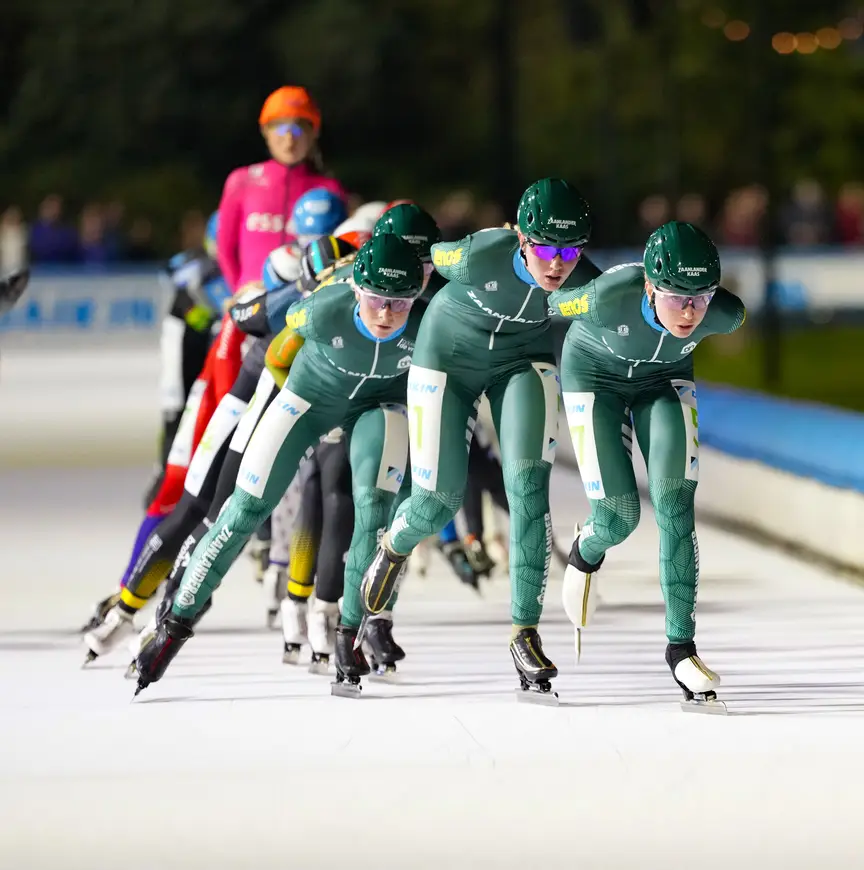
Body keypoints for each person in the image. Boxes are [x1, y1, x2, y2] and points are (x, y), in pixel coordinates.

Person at [133, 235, 426, 696]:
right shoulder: (321, 308)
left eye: (399, 304)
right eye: (375, 300)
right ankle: (174, 626)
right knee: (242, 511)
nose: (386, 314)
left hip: (375, 409)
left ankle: (348, 635)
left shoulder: (425, 324)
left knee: (373, 512)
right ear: (356, 291)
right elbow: (274, 357)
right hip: (308, 403)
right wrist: (302, 411)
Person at [358, 178, 601, 702]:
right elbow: (415, 258)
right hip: (446, 357)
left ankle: (525, 633)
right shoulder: (475, 254)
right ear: (519, 237)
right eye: (544, 248)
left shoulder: (582, 278)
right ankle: (394, 546)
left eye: (570, 250)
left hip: (521, 362)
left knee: (528, 493)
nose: (557, 264)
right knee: (436, 501)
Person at [81, 235, 355, 666]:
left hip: (248, 407)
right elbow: (242, 320)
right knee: (204, 515)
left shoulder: (305, 293)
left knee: (216, 515)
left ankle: (132, 611)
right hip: (238, 409)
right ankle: (141, 612)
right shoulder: (295, 301)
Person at [551, 221, 746, 713]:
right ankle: (586, 548)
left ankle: (682, 649)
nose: (689, 312)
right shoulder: (604, 295)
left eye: (700, 298)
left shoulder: (724, 314)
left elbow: (719, 314)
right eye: (676, 297)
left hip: (665, 383)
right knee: (619, 516)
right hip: (593, 378)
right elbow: (551, 301)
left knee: (676, 505)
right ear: (648, 286)